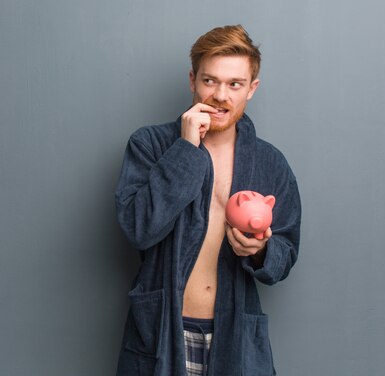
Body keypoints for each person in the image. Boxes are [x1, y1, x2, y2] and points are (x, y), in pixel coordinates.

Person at [114, 25, 301, 376]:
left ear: (252, 89)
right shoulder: (150, 145)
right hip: (162, 331)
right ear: (192, 81)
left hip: (236, 337)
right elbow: (139, 229)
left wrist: (259, 250)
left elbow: (285, 256)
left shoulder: (270, 162)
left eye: (234, 84)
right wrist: (185, 149)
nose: (220, 95)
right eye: (210, 81)